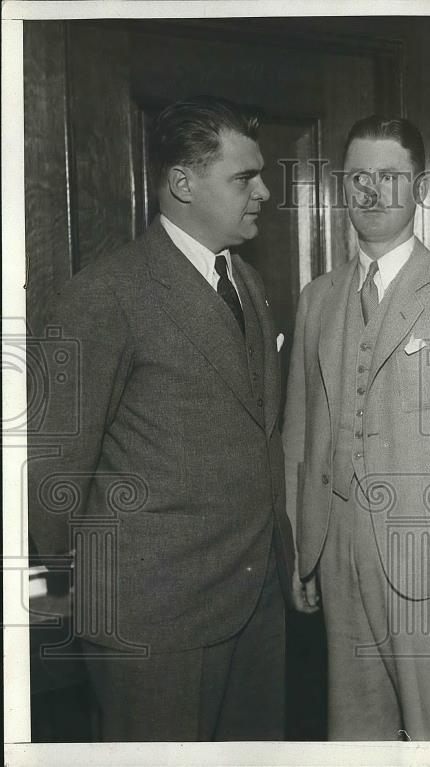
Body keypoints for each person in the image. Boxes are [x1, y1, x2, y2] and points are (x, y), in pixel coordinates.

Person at [27, 95, 294, 741]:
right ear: (183, 182)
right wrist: (74, 590)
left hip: (255, 604)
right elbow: (50, 471)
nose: (263, 191)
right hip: (153, 620)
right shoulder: (103, 294)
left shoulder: (249, 284)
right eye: (243, 177)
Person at [282, 115, 430, 741]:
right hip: (335, 550)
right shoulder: (318, 298)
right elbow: (298, 436)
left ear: (421, 188)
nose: (372, 191)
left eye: (390, 176)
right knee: (354, 731)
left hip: (427, 553)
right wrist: (302, 549)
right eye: (359, 176)